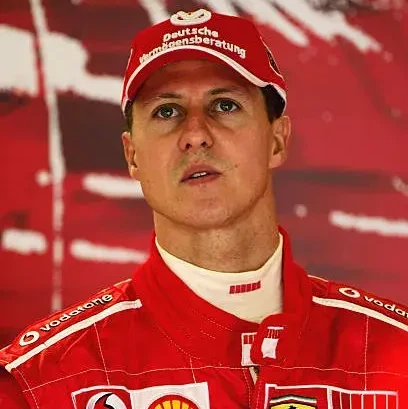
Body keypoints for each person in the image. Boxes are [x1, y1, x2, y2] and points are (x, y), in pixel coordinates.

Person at [0, 8, 407, 409]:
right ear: (133, 156)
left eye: (225, 105)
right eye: (167, 111)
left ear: (277, 140)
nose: (195, 134)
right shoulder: (38, 385)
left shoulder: (396, 355)